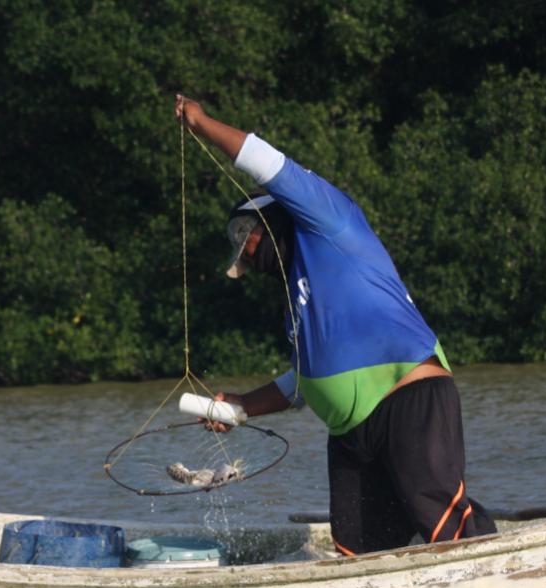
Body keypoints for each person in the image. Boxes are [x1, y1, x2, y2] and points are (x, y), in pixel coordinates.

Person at [174, 94, 496, 555]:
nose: (247, 255)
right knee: (360, 554)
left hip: (406, 399)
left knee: (444, 522)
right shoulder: (296, 303)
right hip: (351, 436)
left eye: (247, 238)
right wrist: (242, 405)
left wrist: (202, 124)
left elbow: (268, 163)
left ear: (273, 217)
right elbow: (302, 384)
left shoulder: (327, 219)